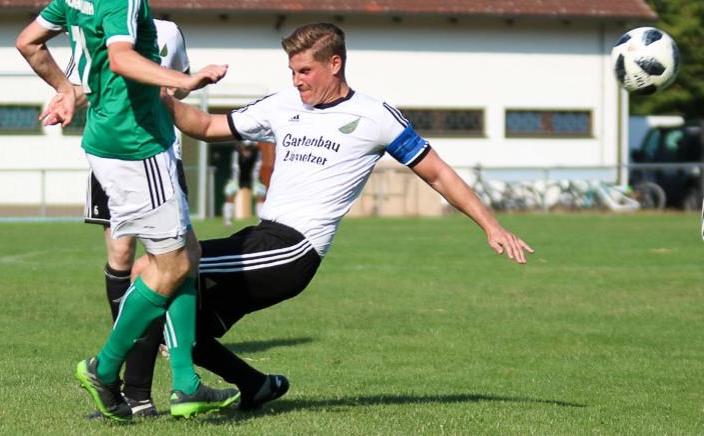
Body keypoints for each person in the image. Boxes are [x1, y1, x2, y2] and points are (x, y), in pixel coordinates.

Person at [146, 22, 535, 410]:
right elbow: (207, 125)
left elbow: (438, 172)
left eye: (305, 71)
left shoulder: (375, 116)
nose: (297, 81)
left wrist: (492, 226)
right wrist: (161, 98)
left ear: (335, 64)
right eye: (292, 71)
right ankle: (255, 385)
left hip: (293, 250)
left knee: (163, 266)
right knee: (182, 330)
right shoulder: (281, 105)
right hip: (260, 237)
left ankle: (119, 383)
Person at [15, 0, 238, 421]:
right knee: (169, 266)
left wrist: (65, 89)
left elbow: (28, 42)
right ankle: (105, 368)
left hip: (111, 140)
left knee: (186, 254)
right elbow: (120, 60)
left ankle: (185, 383)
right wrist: (185, 78)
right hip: (136, 146)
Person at [80, 18, 193, 418]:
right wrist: (65, 94)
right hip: (115, 152)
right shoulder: (96, 18)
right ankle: (120, 379)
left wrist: (173, 84)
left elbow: (182, 82)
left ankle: (138, 387)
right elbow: (84, 79)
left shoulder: (168, 31)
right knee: (122, 255)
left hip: (159, 151)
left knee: (173, 262)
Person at [221, 141, 268, 226]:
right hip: (237, 178)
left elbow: (257, 168)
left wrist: (255, 183)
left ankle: (261, 221)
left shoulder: (258, 153)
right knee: (229, 193)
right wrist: (235, 183)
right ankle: (227, 220)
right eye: (245, 148)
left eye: (249, 149)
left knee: (260, 194)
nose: (247, 151)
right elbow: (235, 168)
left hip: (253, 179)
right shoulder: (236, 153)